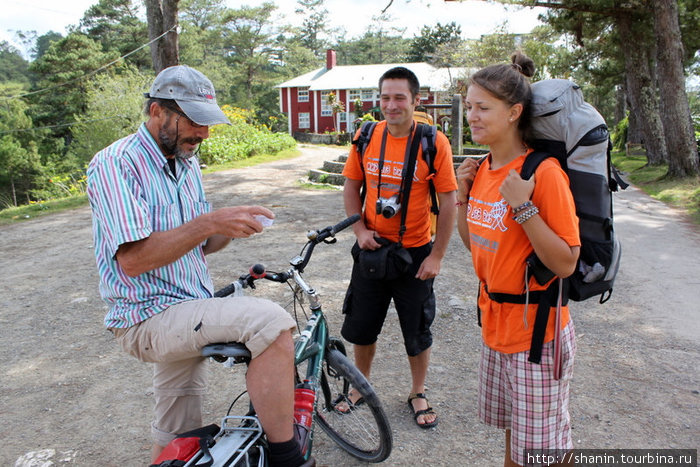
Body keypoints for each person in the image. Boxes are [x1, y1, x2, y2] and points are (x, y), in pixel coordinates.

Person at [86, 65, 313, 467]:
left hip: (188, 306)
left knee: (176, 432)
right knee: (272, 324)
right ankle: (287, 458)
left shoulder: (186, 161)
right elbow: (135, 261)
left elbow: (200, 245)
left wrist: (231, 225)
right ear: (157, 111)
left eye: (207, 123)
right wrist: (209, 221)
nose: (204, 133)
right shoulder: (116, 163)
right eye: (194, 121)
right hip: (147, 316)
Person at [455, 53, 580, 466]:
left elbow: (566, 263)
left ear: (514, 112)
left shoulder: (542, 174)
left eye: (482, 107)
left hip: (536, 336)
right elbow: (476, 246)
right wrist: (462, 196)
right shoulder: (484, 168)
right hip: (495, 325)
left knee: (543, 450)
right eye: (468, 106)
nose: (471, 115)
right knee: (518, 438)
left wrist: (524, 208)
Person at [340, 66, 457, 429]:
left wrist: (437, 255)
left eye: (399, 98)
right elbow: (349, 187)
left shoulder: (432, 141)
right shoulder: (365, 135)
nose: (391, 105)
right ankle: (360, 385)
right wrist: (359, 229)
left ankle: (418, 391)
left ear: (415, 100)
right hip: (372, 248)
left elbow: (449, 201)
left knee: (417, 329)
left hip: (416, 254)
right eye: (385, 97)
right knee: (361, 326)